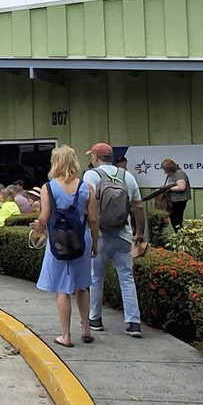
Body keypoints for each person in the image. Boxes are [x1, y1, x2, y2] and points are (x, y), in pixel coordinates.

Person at [32, 145, 100, 348]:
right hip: (81, 237)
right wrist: (95, 242)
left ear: (56, 162)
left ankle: (65, 335)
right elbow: (93, 219)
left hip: (58, 239)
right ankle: (86, 329)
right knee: (82, 284)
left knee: (63, 288)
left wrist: (38, 227)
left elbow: (44, 217)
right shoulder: (86, 187)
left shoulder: (48, 187)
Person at [84, 142, 146, 338]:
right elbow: (138, 206)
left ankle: (95, 318)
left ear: (95, 157)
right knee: (126, 278)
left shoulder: (91, 175)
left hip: (100, 235)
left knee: (95, 278)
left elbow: (87, 204)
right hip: (123, 234)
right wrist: (139, 231)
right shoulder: (127, 176)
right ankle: (133, 322)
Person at [160, 158, 191, 230]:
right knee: (174, 220)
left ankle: (181, 236)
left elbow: (182, 187)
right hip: (174, 201)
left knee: (177, 221)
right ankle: (179, 235)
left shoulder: (179, 174)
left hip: (179, 201)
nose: (164, 170)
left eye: (165, 168)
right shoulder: (172, 174)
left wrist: (169, 189)